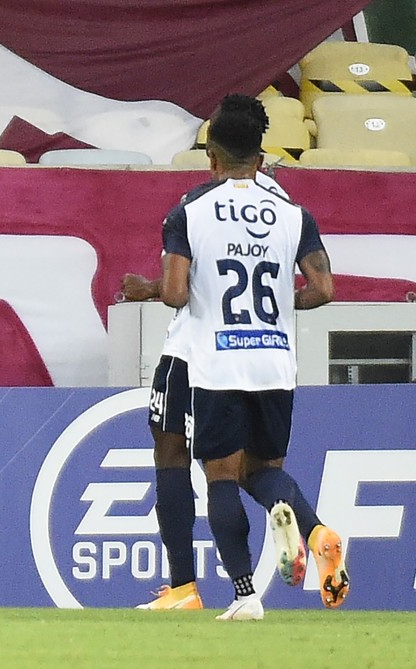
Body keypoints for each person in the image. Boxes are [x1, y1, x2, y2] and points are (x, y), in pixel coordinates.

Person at [124, 95, 344, 612]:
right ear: (263, 155)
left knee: (195, 460)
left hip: (203, 354)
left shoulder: (193, 204)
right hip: (273, 359)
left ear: (213, 158)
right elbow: (325, 287)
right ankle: (314, 533)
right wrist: (271, 308)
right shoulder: (289, 206)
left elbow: (178, 292)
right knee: (259, 469)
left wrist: (146, 288)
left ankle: (201, 591)